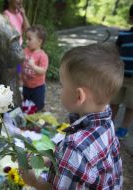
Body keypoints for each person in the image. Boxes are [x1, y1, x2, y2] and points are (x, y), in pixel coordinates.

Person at [22, 43, 123, 189]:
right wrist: (50, 159)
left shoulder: (75, 147)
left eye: (62, 85)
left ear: (78, 96)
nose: (60, 89)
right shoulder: (107, 122)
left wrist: (33, 181)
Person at [111, 4, 133, 139]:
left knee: (131, 106)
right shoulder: (123, 35)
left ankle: (124, 128)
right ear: (131, 18)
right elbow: (115, 52)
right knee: (114, 102)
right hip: (120, 75)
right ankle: (108, 124)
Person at [21, 25, 48, 111]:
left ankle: (37, 116)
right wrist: (19, 73)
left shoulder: (42, 55)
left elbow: (43, 71)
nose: (26, 41)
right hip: (26, 85)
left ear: (39, 41)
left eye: (29, 39)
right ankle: (28, 116)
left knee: (37, 106)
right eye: (26, 38)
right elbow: (19, 63)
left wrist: (33, 66)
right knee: (26, 105)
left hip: (38, 87)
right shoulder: (25, 51)